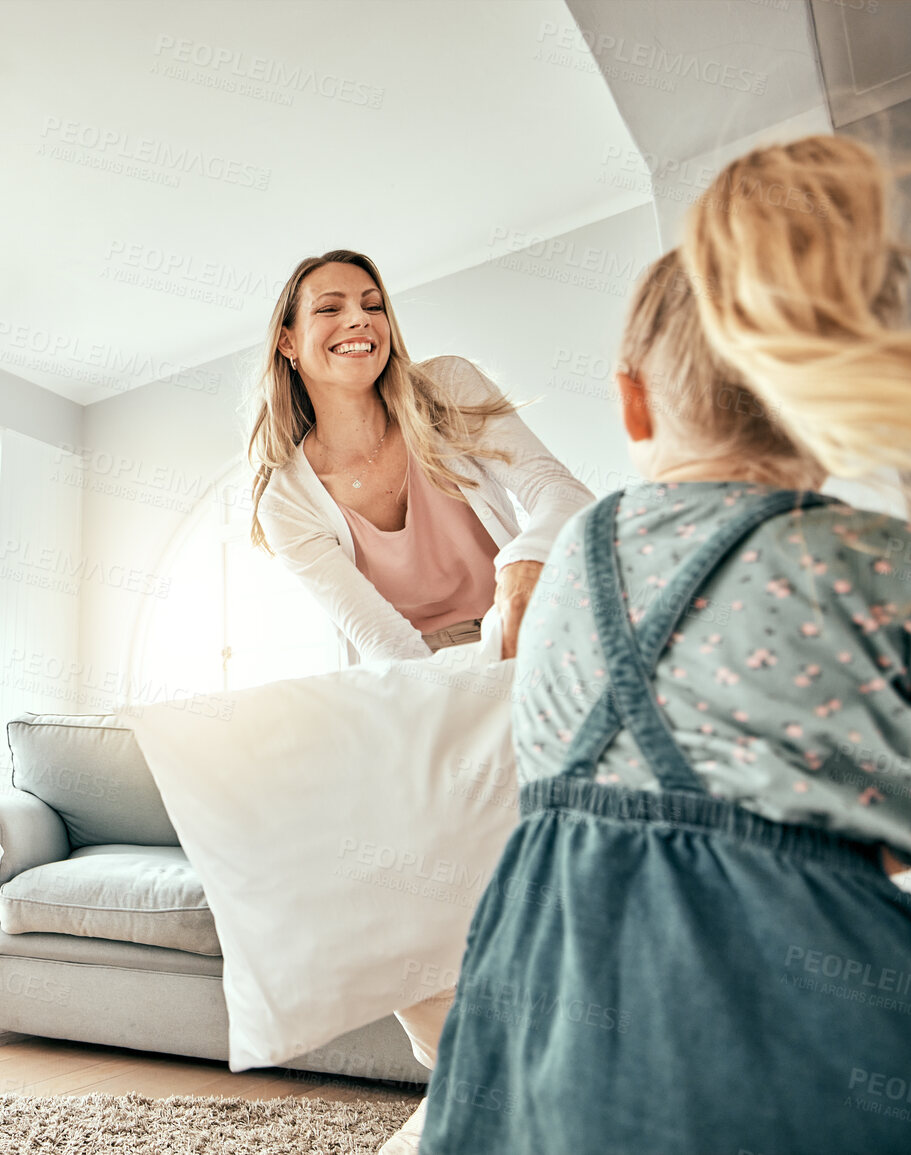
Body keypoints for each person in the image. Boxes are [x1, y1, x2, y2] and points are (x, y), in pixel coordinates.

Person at [423, 136, 911, 1154]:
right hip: (802, 1020)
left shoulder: (571, 560)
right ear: (817, 396)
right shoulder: (870, 559)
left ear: (633, 397)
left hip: (549, 1003)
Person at [246, 250, 593, 1154]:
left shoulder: (444, 388)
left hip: (534, 646)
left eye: (371, 302)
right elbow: (386, 642)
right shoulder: (286, 495)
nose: (357, 318)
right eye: (328, 308)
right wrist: (466, 681)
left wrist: (524, 560)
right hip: (413, 686)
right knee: (393, 902)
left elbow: (561, 492)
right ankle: (477, 1092)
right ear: (288, 342)